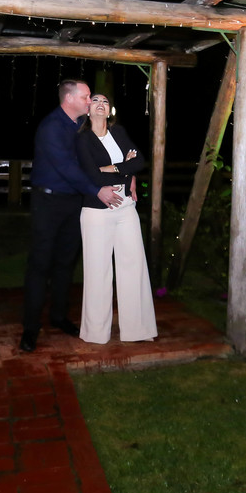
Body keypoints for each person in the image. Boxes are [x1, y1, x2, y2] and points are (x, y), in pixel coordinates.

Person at [21, 80, 121, 353]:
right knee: (40, 264)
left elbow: (96, 158)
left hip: (74, 203)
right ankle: (30, 328)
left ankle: (58, 316)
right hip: (48, 202)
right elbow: (67, 167)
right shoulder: (51, 127)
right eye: (86, 97)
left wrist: (127, 174)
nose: (90, 101)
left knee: (66, 262)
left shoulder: (81, 126)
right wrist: (96, 190)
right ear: (69, 99)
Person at [74, 93, 158, 344]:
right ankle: (96, 333)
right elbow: (88, 173)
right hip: (96, 211)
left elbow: (139, 161)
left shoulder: (118, 132)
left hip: (126, 207)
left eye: (105, 101)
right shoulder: (82, 138)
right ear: (88, 109)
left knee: (134, 267)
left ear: (109, 109)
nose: (101, 104)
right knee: (97, 271)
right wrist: (124, 168)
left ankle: (138, 329)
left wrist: (115, 168)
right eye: (95, 101)